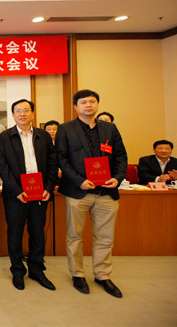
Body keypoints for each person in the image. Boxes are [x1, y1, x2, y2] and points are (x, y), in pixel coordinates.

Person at [56, 89, 127, 298]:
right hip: (78, 192)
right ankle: (77, 274)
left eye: (92, 102)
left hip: (107, 190)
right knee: (74, 236)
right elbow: (61, 159)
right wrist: (79, 181)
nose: (88, 105)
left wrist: (118, 178)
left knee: (105, 237)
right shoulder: (66, 129)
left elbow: (121, 156)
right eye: (84, 102)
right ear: (75, 106)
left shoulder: (110, 128)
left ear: (97, 104)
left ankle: (103, 275)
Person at [0, 99, 57, 291]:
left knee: (38, 233)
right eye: (18, 111)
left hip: (40, 192)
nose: (22, 114)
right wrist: (17, 191)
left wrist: (48, 187)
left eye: (26, 110)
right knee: (15, 233)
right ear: (13, 115)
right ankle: (17, 271)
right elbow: (2, 167)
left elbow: (53, 163)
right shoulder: (5, 136)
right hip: (16, 194)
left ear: (32, 113)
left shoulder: (43, 136)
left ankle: (37, 270)